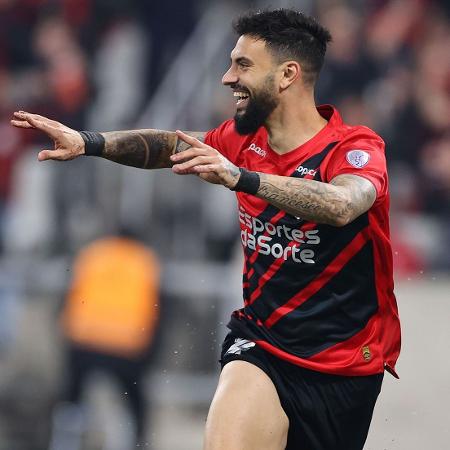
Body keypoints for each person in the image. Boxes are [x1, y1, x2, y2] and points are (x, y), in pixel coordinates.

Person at [11, 9, 401, 450]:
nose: (226, 77)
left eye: (243, 65)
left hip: (345, 364)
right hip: (263, 343)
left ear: (288, 75)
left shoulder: (354, 148)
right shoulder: (240, 140)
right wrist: (89, 142)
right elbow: (170, 146)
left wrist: (241, 178)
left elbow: (344, 204)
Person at [50, 232, 160, 449]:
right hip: (127, 345)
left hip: (85, 340)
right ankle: (137, 441)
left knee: (72, 398)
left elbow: (69, 296)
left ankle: (64, 440)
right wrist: (151, 354)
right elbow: (157, 311)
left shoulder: (92, 253)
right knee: (135, 403)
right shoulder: (145, 260)